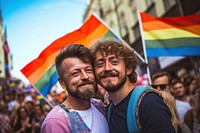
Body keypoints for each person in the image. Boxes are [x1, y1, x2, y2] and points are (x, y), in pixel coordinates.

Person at [90, 39, 175, 133]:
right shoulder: (108, 110)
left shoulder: (148, 103)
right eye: (100, 64)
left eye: (114, 62)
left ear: (129, 68)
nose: (107, 68)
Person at [41, 44, 109, 133]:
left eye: (88, 70)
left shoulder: (100, 106)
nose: (85, 77)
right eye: (75, 73)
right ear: (62, 83)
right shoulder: (56, 122)